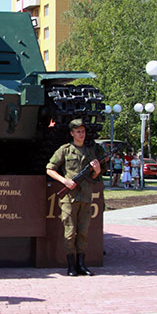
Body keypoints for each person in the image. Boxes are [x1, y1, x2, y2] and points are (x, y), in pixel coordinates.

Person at [46, 118, 106, 277]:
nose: (82, 134)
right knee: (70, 232)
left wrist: (97, 170)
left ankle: (81, 264)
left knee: (84, 232)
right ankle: (71, 265)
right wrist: (64, 180)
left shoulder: (90, 152)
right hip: (69, 198)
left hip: (86, 196)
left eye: (83, 131)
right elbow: (50, 169)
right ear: (72, 133)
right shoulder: (65, 150)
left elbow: (94, 176)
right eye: (78, 131)